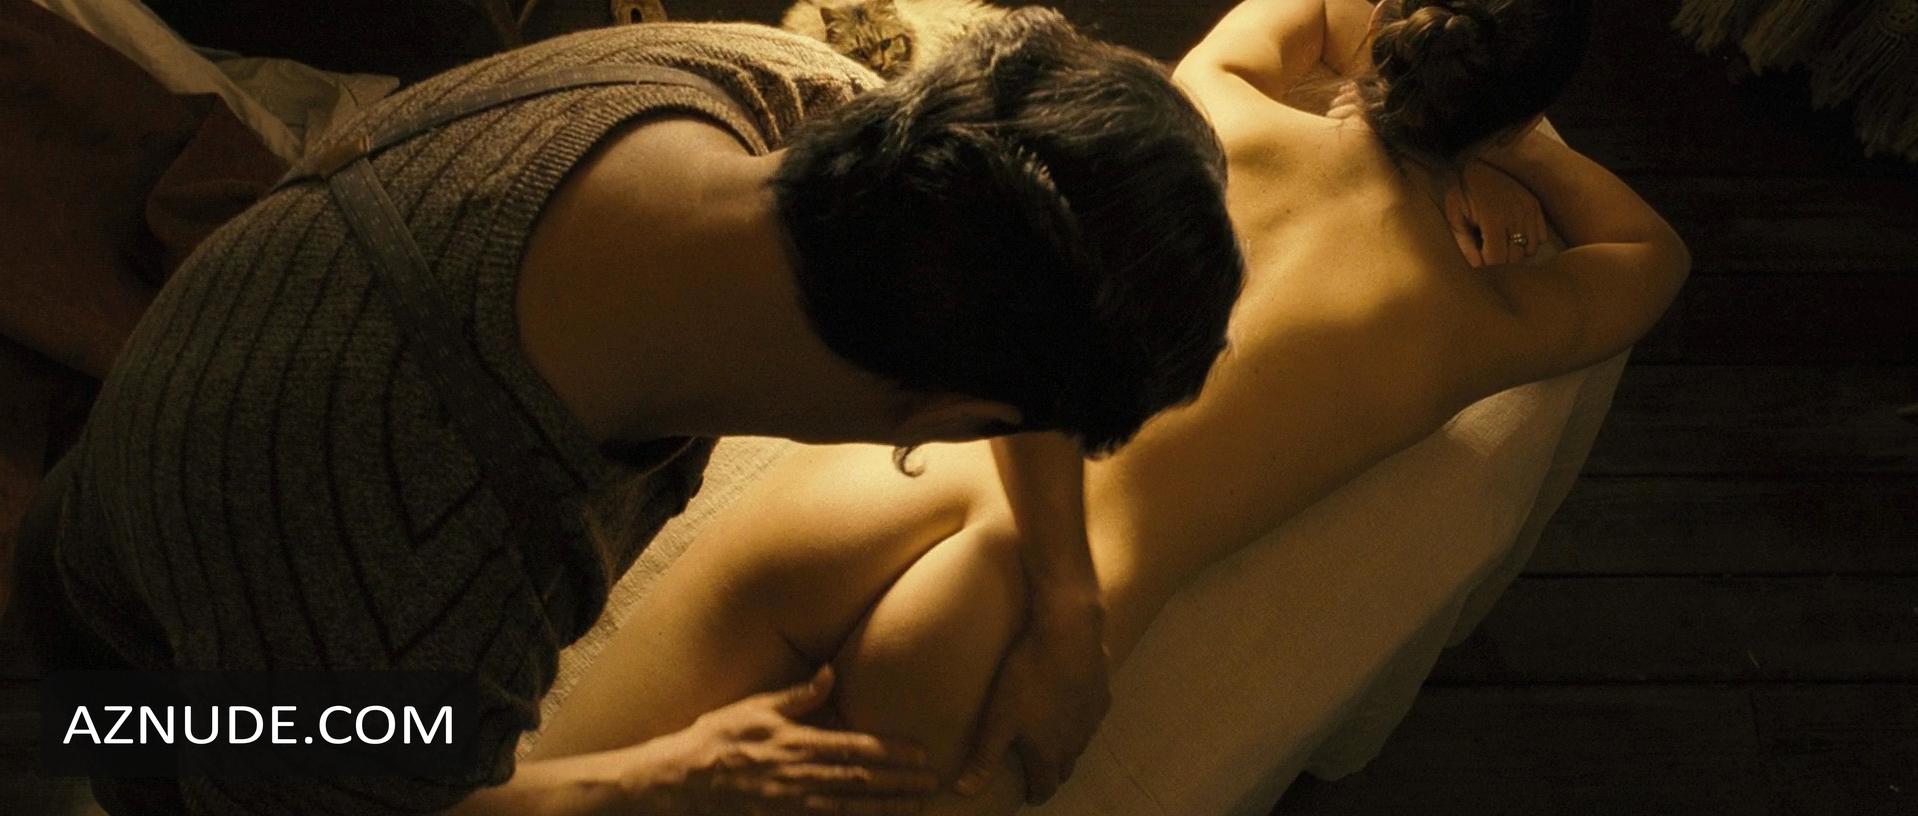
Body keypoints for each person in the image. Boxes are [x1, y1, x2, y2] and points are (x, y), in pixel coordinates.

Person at [7, 10, 1244, 815]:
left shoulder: (775, 92)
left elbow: (1015, 268)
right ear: (953, 419)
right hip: (140, 681)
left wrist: (1067, 596)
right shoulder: (424, 568)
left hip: (222, 425)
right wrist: (653, 778)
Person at [518, 0, 1690, 814]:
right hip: (1019, 621)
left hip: (894, 485)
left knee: (538, 785)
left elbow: (1315, 17)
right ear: (1509, 113)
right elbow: (1653, 253)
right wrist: (1517, 147)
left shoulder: (1219, 105)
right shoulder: (1473, 319)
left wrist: (1415, 69)